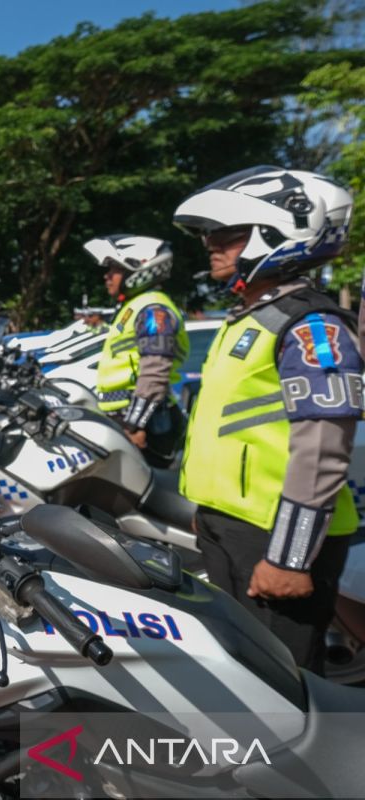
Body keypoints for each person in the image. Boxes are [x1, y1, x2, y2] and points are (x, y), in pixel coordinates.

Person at [173, 166, 361, 674]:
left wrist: (290, 558)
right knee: (241, 676)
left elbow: (323, 447)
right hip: (234, 528)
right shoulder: (252, 319)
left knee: (284, 686)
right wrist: (211, 512)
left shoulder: (312, 327)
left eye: (227, 234)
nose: (211, 243)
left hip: (282, 535)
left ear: (282, 234)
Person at [84, 234, 190, 466]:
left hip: (146, 422)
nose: (107, 275)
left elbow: (155, 371)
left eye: (114, 269)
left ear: (137, 269)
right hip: (131, 417)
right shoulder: (134, 307)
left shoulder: (154, 310)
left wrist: (135, 424)